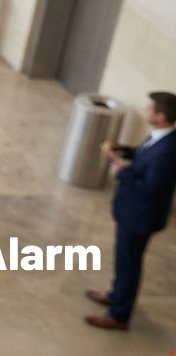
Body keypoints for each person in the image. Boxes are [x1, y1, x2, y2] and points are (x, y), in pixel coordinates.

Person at [85, 92, 176, 330]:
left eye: (150, 108)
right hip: (133, 211)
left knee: (129, 263)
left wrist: (120, 170)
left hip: (141, 216)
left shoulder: (167, 152)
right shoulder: (161, 137)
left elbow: (150, 188)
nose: (146, 110)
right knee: (124, 259)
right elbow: (145, 156)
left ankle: (119, 315)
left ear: (160, 115)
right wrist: (125, 150)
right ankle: (116, 295)